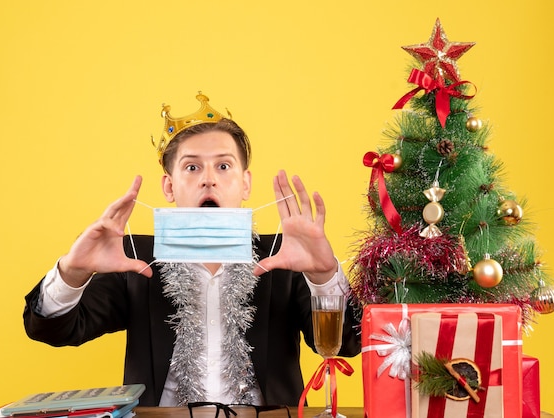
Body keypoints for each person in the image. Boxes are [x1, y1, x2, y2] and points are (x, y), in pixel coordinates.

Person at [23, 93, 361, 407]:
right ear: (169, 186)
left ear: (245, 183)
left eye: (224, 166)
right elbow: (54, 330)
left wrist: (323, 275)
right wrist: (73, 271)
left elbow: (347, 343)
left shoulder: (285, 255)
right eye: (192, 167)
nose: (209, 179)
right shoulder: (133, 258)